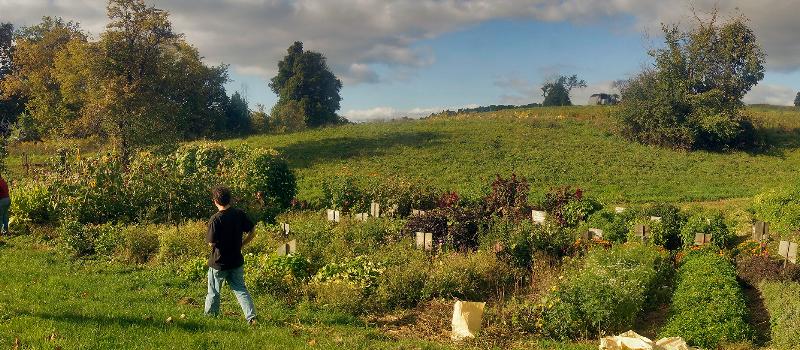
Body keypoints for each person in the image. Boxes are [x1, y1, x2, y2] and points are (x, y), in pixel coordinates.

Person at [204, 186, 257, 325]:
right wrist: (242, 244)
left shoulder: (215, 219)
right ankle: (251, 318)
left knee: (214, 292)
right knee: (240, 289)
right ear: (230, 199)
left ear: (215, 201)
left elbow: (211, 243)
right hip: (236, 261)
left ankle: (210, 318)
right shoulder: (239, 214)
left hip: (219, 263)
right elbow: (252, 231)